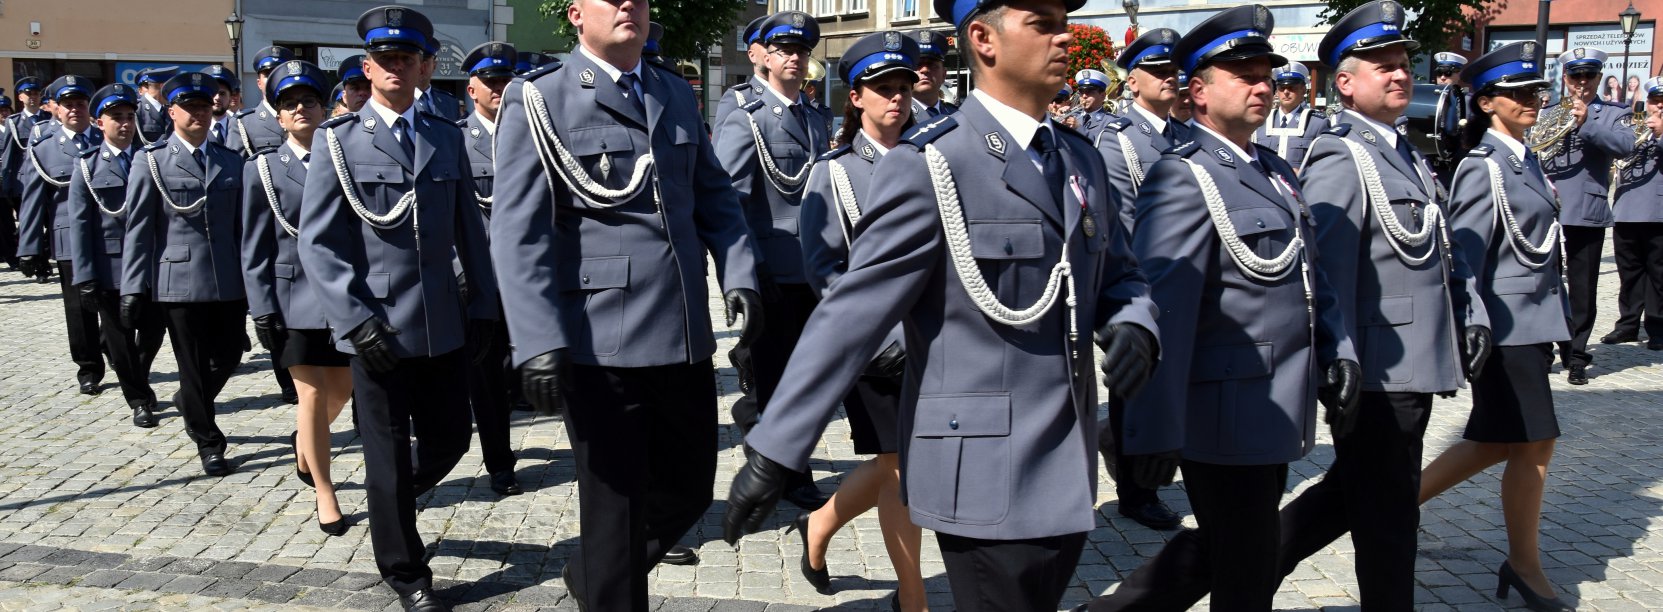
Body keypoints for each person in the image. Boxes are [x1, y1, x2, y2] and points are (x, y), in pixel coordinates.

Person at [722, 0, 1160, 608]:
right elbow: (851, 313)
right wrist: (776, 447)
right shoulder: (932, 162)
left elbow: (1121, 271)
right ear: (983, 39)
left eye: (1065, 23)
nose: (1067, 39)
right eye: (1045, 25)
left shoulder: (1079, 157)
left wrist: (1135, 321)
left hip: (1067, 463)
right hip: (982, 469)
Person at [1085, 5, 1359, 609]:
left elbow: (1314, 278)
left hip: (1275, 406)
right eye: (1245, 75)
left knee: (1235, 555)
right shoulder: (1184, 176)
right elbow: (1164, 308)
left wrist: (1337, 348)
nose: (1263, 85)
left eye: (1266, 73)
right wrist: (1150, 429)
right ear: (1200, 91)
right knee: (1246, 571)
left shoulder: (1276, 170)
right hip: (1224, 412)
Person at [491, 0, 762, 604]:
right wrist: (536, 340)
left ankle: (594, 577)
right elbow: (518, 233)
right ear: (575, 14)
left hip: (683, 331)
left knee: (691, 489)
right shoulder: (540, 99)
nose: (627, 6)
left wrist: (739, 273)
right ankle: (609, 583)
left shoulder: (672, 91)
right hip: (598, 340)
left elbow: (714, 198)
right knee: (614, 509)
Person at [1264, 3, 1492, 607]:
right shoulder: (1343, 154)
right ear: (1345, 83)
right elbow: (1328, 275)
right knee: (1388, 519)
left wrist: (1471, 315)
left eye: (1402, 65)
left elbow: (1443, 250)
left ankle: (1222, 570)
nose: (1399, 75)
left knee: (1351, 502)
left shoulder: (1407, 152)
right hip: (1375, 371)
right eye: (1382, 66)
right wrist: (1335, 360)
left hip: (1409, 365)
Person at [298, 7, 499, 610]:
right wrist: (354, 321)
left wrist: (486, 308)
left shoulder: (445, 134)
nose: (394, 68)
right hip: (376, 328)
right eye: (383, 60)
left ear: (421, 67)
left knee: (448, 443)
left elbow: (469, 230)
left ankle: (390, 503)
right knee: (385, 454)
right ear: (367, 67)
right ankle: (407, 573)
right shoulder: (337, 143)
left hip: (442, 324)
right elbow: (319, 242)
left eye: (405, 59)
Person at [1417, 41, 1575, 612]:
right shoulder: (1483, 168)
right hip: (1503, 329)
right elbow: (1464, 258)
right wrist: (1469, 328)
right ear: (1487, 103)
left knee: (1497, 441)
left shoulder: (1525, 158)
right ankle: (1525, 566)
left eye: (1536, 91)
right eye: (1520, 94)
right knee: (1534, 443)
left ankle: (1393, 505)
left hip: (1531, 323)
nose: (1534, 100)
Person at [791, 31, 926, 611]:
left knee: (907, 462)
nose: (896, 98)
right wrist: (881, 337)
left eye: (904, 87)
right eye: (882, 89)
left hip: (937, 341)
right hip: (875, 348)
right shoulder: (836, 172)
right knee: (900, 467)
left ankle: (819, 523)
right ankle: (913, 598)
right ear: (856, 98)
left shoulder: (934, 159)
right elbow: (824, 273)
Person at [715, 9, 833, 512]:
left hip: (813, 270)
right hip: (771, 272)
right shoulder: (746, 116)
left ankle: (761, 422)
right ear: (765, 58)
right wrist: (744, 273)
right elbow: (729, 202)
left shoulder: (813, 117)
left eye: (803, 51)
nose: (795, 57)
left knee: (808, 378)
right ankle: (791, 472)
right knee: (783, 379)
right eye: (786, 50)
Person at [240, 59, 355, 537]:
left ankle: (306, 443)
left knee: (342, 391)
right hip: (294, 297)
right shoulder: (263, 169)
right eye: (290, 104)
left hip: (343, 296)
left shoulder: (346, 156)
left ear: (324, 108)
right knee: (309, 393)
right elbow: (253, 246)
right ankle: (325, 490)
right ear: (279, 116)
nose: (300, 109)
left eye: (308, 101)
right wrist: (262, 307)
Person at [120, 71, 249, 478]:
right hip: (177, 282)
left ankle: (189, 400)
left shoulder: (230, 160)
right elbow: (139, 228)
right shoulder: (152, 160)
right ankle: (209, 441)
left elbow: (241, 229)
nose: (198, 113)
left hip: (227, 278)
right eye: (188, 106)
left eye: (203, 106)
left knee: (229, 354)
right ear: (171, 110)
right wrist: (133, 287)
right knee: (191, 364)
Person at [1088, 25, 1188, 532]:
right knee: (1140, 382)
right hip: (1144, 281)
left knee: (1175, 382)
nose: (1170, 79)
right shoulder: (1115, 139)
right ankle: (1138, 491)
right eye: (1158, 71)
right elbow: (1118, 219)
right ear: (1133, 82)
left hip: (1187, 278)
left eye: (1174, 71)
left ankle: (1133, 450)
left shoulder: (1183, 135)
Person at [65, 83, 168, 427]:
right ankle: (138, 398)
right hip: (111, 267)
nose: (124, 124)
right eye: (116, 118)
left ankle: (137, 372)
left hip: (150, 263)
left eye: (129, 117)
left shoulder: (152, 159)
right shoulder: (87, 166)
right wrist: (86, 278)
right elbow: (80, 226)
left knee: (153, 330)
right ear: (98, 123)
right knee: (120, 335)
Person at [456, 41, 525, 498]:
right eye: (493, 82)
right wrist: (460, 271)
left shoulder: (532, 132)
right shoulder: (457, 139)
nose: (501, 89)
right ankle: (500, 462)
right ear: (472, 89)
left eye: (507, 80)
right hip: (480, 278)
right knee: (486, 375)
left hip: (528, 276)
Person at [1544, 48, 1634, 384]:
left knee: (1583, 287)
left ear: (1598, 78)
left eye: (1589, 76)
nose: (1582, 82)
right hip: (1548, 209)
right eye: (1575, 76)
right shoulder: (1549, 112)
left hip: (1587, 207)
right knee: (1546, 284)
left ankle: (1578, 354)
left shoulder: (1614, 113)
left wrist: (1587, 123)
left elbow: (1625, 146)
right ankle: (1556, 345)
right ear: (1565, 79)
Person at [16, 75, 107, 395]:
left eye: (80, 104)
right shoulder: (44, 149)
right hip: (69, 238)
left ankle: (111, 344)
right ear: (55, 109)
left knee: (118, 300)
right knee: (79, 308)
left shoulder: (105, 138)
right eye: (68, 105)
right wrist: (29, 247)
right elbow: (32, 201)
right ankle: (89, 367)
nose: (75, 110)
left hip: (110, 235)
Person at [1610, 78, 1663, 349]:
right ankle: (1628, 324)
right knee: (1629, 271)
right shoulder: (1631, 123)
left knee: (1658, 273)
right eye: (1654, 101)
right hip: (1627, 208)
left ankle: (1657, 327)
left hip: (1658, 211)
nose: (1658, 106)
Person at [2, 78, 50, 273]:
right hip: (25, 183)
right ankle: (40, 265)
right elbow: (8, 156)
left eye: (36, 94)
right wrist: (6, 184)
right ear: (20, 97)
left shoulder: (48, 118)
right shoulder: (14, 123)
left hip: (48, 179)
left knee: (51, 222)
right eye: (28, 94)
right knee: (31, 224)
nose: (32, 97)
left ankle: (45, 254)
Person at [1253, 60, 1328, 172]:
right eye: (1282, 88)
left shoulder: (1317, 123)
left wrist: (1303, 174)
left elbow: (1325, 166)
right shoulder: (1261, 121)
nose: (1286, 92)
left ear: (1303, 90)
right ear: (1276, 91)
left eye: (1292, 87)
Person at [226, 46, 297, 161]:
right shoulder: (244, 123)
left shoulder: (304, 114)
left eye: (280, 73)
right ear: (259, 83)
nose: (274, 79)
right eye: (268, 75)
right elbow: (236, 168)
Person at [712, 16, 769, 131]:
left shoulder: (799, 99)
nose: (774, 50)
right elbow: (721, 147)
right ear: (752, 55)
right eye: (766, 45)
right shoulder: (737, 99)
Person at [910, 30, 959, 117]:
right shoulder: (899, 118)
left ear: (944, 74)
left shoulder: (955, 114)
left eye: (932, 65)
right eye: (918, 64)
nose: (924, 70)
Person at [415, 42, 463, 122]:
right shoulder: (398, 101)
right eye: (417, 61)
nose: (421, 67)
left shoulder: (451, 102)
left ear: (434, 65)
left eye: (425, 61)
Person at [133, 68, 175, 146]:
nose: (173, 92)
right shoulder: (136, 110)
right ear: (163, 86)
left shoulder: (170, 110)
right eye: (172, 88)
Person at [1071, 69, 1115, 136]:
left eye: (1089, 92)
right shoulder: (1074, 116)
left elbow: (1100, 144)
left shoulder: (1111, 121)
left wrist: (1078, 128)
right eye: (1081, 92)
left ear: (1102, 96)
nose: (1084, 96)